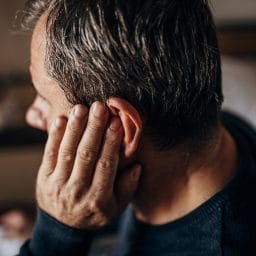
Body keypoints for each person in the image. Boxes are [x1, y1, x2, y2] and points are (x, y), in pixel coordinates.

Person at [17, 0, 256, 255]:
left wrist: (54, 237)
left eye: (44, 97)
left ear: (118, 126)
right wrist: (58, 218)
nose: (33, 116)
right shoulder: (219, 130)